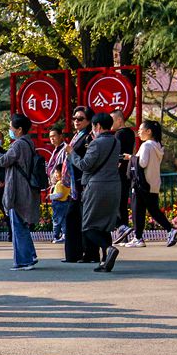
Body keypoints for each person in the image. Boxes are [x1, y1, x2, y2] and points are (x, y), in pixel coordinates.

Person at [67, 112, 122, 272]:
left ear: (97, 126)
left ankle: (108, 248)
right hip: (114, 186)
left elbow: (85, 165)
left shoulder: (96, 144)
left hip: (96, 187)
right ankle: (105, 260)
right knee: (105, 225)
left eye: (93, 127)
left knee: (88, 226)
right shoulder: (115, 141)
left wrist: (72, 154)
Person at [0, 114, 41, 271]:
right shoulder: (29, 143)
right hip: (26, 188)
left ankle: (25, 261)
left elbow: (4, 161)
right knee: (21, 224)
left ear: (19, 130)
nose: (10, 131)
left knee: (18, 225)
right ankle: (28, 256)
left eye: (11, 128)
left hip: (19, 189)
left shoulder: (18, 145)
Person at [124, 120, 177, 248]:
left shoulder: (146, 146)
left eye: (140, 129)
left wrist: (130, 157)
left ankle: (138, 238)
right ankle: (170, 230)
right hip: (153, 183)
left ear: (149, 131)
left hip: (142, 183)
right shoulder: (157, 145)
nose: (138, 132)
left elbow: (142, 163)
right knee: (153, 210)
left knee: (138, 210)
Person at [62, 106, 95, 264]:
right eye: (74, 118)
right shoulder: (76, 137)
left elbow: (85, 162)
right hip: (75, 186)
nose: (76, 121)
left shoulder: (89, 138)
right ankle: (73, 255)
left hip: (84, 183)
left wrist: (71, 153)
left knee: (84, 219)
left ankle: (89, 254)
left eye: (80, 119)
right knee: (72, 218)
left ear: (88, 121)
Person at [111, 109, 136, 243]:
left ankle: (122, 229)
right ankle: (124, 233)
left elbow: (118, 155)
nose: (111, 124)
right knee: (122, 204)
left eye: (113, 120)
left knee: (116, 203)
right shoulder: (131, 133)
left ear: (119, 120)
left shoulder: (119, 135)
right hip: (128, 172)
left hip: (119, 173)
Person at [48, 168, 71, 243]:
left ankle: (56, 236)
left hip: (58, 204)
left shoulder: (59, 183)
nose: (55, 174)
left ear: (61, 172)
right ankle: (65, 235)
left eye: (56, 172)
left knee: (56, 221)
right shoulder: (67, 183)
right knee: (64, 221)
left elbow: (59, 194)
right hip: (66, 203)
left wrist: (50, 196)